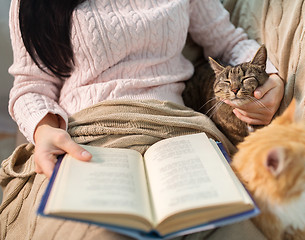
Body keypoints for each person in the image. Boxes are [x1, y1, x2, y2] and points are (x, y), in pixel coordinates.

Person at [8, 0, 284, 178]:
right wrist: (43, 129)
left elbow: (229, 44)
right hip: (88, 133)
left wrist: (270, 79)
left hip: (178, 126)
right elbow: (31, 85)